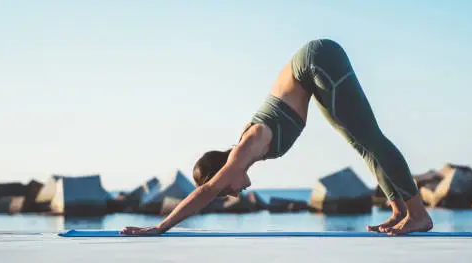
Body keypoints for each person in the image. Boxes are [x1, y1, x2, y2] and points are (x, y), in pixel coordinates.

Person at [120, 39, 433, 236]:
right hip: (312, 69)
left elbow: (203, 193)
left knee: (371, 139)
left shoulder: (247, 146)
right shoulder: (251, 149)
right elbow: (209, 189)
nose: (230, 195)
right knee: (362, 143)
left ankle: (418, 214)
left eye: (223, 190)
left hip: (315, 61)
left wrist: (160, 227)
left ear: (222, 173)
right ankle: (400, 211)